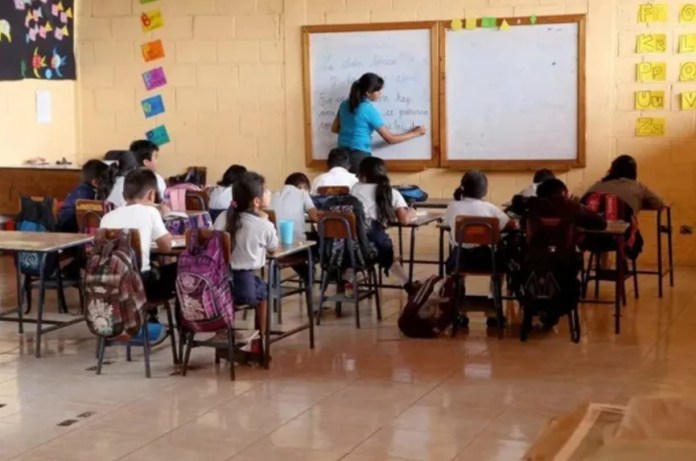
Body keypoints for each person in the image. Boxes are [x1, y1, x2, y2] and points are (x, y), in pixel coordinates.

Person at [99, 169, 175, 338]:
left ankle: (146, 321)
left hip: (110, 285)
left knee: (152, 268)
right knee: (179, 269)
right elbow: (166, 247)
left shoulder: (107, 218)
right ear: (151, 195)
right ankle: (180, 330)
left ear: (124, 195)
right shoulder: (151, 212)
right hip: (139, 285)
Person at [445, 171, 515, 328]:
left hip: (460, 260)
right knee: (499, 270)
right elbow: (510, 225)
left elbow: (446, 224)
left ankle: (460, 314)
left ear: (462, 188)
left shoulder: (452, 206)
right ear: (485, 190)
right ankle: (493, 308)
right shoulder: (490, 208)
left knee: (456, 274)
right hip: (487, 260)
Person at [332, 72, 426, 173]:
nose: (380, 93)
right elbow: (390, 139)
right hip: (358, 157)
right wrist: (415, 133)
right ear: (368, 93)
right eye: (378, 90)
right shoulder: (368, 109)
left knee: (344, 187)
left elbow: (334, 128)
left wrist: (350, 132)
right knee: (359, 187)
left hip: (340, 156)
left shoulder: (344, 104)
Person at [223, 172, 276, 346]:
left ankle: (226, 335)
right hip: (244, 289)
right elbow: (273, 249)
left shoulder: (222, 218)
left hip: (219, 286)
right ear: (256, 201)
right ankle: (262, 338)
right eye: (266, 190)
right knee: (266, 290)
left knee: (257, 284)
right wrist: (266, 220)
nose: (269, 192)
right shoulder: (264, 225)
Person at [351, 157, 414, 292]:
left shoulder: (355, 189)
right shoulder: (391, 192)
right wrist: (411, 211)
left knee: (350, 264)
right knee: (388, 254)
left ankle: (349, 292)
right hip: (374, 247)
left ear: (362, 173)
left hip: (349, 246)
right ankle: (407, 284)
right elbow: (405, 220)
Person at [271, 173, 319, 284]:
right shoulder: (302, 193)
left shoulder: (273, 195)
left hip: (275, 246)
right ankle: (312, 267)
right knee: (317, 239)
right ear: (302, 186)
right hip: (297, 246)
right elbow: (315, 217)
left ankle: (305, 271)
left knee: (291, 245)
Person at [585, 154, 665, 214]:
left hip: (593, 233)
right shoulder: (638, 187)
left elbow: (583, 202)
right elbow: (659, 204)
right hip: (623, 233)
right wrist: (637, 203)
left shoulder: (598, 185)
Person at [57, 160, 109, 233]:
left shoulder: (80, 189)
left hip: (64, 230)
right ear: (95, 182)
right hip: (72, 234)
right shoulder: (88, 196)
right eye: (106, 180)